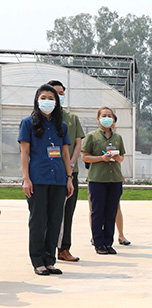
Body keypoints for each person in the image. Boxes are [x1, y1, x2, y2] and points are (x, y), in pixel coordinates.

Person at [18, 84, 74, 275]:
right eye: (44, 97)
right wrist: (26, 179)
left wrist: (69, 178)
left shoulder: (62, 126)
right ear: (36, 100)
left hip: (58, 179)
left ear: (57, 103)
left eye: (51, 98)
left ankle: (50, 260)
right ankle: (38, 261)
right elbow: (24, 153)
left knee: (55, 220)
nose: (48, 101)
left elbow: (65, 155)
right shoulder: (28, 123)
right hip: (38, 178)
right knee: (38, 220)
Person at [48, 80, 85, 263]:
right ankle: (46, 249)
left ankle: (64, 249)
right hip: (48, 172)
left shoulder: (71, 118)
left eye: (62, 93)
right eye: (55, 92)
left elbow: (78, 143)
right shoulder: (41, 118)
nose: (59, 96)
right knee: (49, 212)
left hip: (70, 171)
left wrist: (71, 162)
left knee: (67, 212)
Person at [81, 107, 126, 255]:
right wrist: (101, 158)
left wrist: (118, 158)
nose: (107, 118)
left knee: (111, 212)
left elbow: (122, 156)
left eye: (109, 116)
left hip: (115, 179)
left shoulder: (118, 138)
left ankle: (108, 242)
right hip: (97, 179)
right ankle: (98, 243)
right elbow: (85, 157)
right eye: (104, 115)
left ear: (113, 119)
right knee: (97, 212)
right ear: (98, 118)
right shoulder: (92, 137)